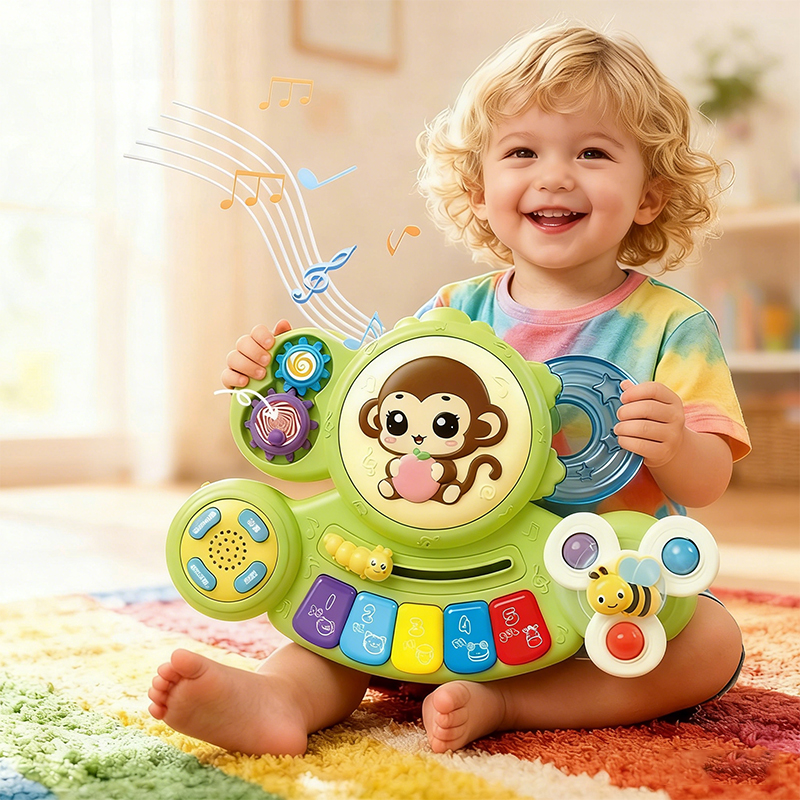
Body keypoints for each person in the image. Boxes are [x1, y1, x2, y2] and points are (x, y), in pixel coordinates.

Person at [148, 22, 750, 757]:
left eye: (592, 152)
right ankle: (280, 698)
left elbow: (712, 480)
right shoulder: (452, 314)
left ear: (650, 196)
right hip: (436, 581)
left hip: (584, 595)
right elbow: (365, 424)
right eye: (523, 151)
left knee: (710, 639)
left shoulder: (672, 325)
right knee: (336, 614)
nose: (555, 176)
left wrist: (680, 444)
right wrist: (265, 384)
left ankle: (512, 701)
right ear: (480, 186)